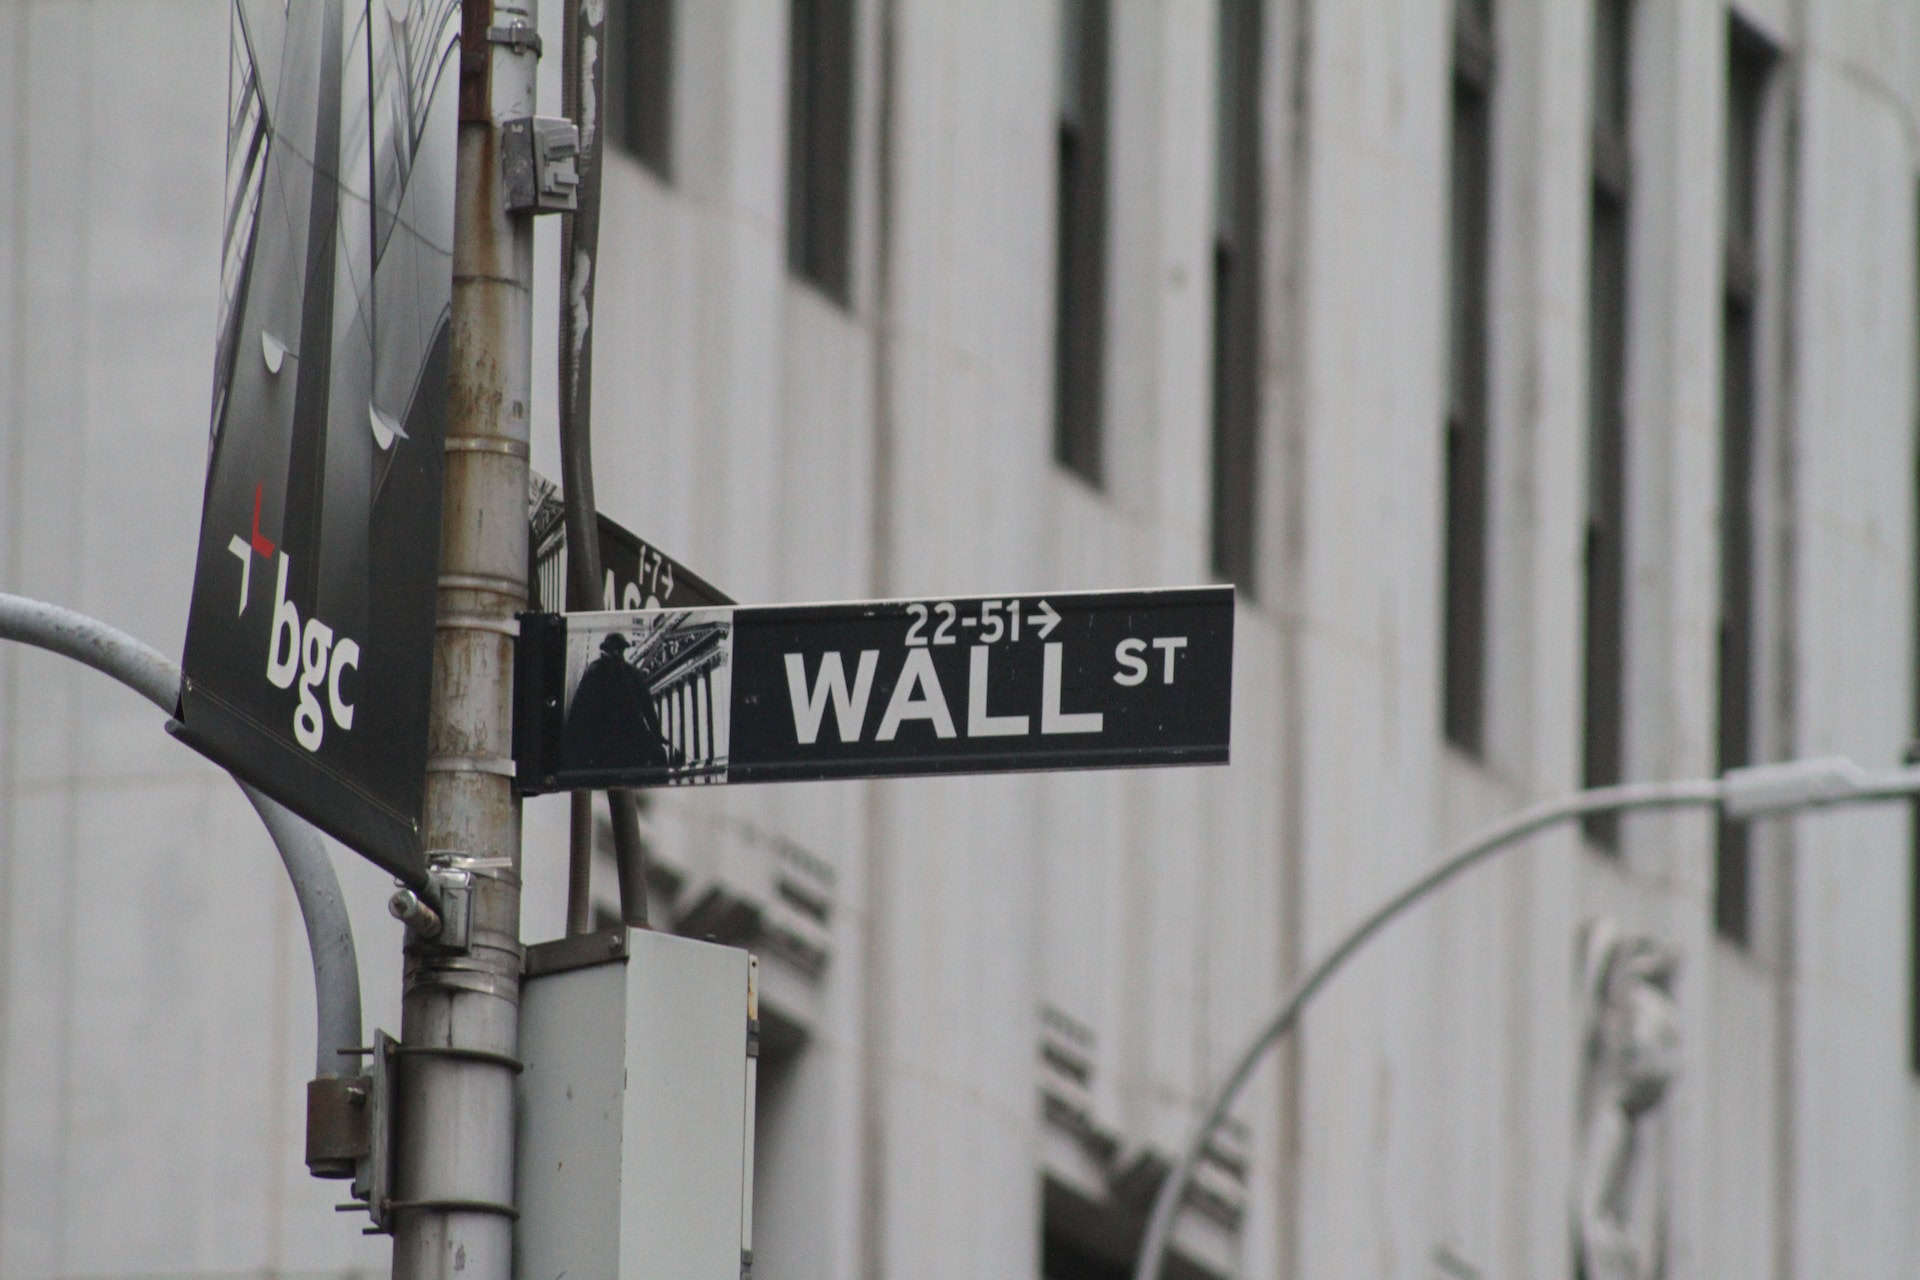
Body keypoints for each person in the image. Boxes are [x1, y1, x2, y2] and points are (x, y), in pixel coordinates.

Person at [561, 632, 671, 772]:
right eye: (615, 649)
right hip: (607, 738)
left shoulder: (627, 672)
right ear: (607, 650)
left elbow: (647, 706)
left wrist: (657, 734)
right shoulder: (598, 671)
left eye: (620, 649)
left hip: (624, 736)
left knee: (657, 757)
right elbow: (580, 708)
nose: (618, 653)